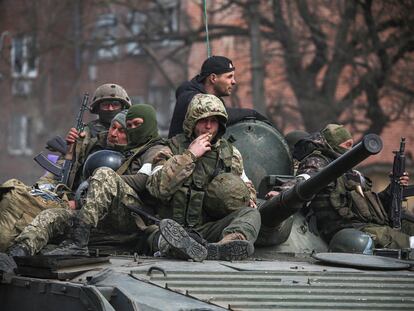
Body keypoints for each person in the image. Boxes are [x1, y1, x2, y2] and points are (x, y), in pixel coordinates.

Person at [147, 93, 261, 261]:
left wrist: (249, 198)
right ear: (191, 122)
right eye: (202, 120)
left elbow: (246, 185)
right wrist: (190, 156)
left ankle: (228, 244)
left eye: (214, 121)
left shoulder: (230, 154)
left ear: (220, 124)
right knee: (158, 236)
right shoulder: (169, 148)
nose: (208, 126)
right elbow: (156, 188)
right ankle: (179, 248)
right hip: (169, 228)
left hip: (207, 228)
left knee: (250, 214)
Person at [0, 110, 129, 252]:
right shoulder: (92, 146)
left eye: (122, 130)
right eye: (113, 127)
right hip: (71, 203)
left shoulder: (134, 159)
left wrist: (78, 202)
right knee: (15, 193)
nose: (114, 134)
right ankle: (16, 252)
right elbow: (55, 180)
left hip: (101, 218)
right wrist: (69, 153)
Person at [297, 123, 414, 249]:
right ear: (333, 144)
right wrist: (281, 191)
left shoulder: (353, 174)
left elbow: (373, 206)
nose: (350, 149)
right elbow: (301, 182)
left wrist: (393, 189)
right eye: (347, 145)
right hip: (345, 231)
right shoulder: (319, 164)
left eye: (352, 145)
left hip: (368, 226)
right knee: (408, 243)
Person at [168, 55, 267, 138]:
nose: (234, 82)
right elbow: (216, 112)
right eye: (229, 77)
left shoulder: (216, 100)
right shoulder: (189, 98)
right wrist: (252, 113)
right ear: (213, 78)